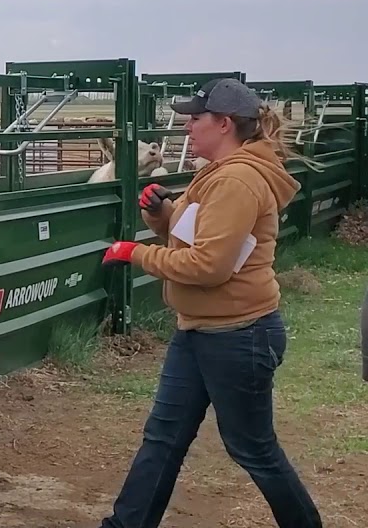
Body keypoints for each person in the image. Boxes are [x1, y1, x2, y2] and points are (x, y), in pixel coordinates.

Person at [96, 77, 323, 528]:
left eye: (195, 119)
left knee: (253, 449)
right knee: (163, 439)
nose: (186, 129)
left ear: (223, 124)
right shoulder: (219, 172)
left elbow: (210, 266)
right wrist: (162, 216)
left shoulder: (236, 180)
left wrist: (135, 252)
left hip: (238, 335)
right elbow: (197, 241)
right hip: (202, 328)